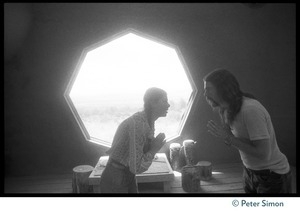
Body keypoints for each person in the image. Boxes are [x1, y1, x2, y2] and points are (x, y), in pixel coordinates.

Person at [203, 68, 292, 193]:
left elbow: (263, 154)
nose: (205, 94)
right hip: (249, 171)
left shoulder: (250, 110)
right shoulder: (224, 109)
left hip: (272, 175)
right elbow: (233, 139)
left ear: (222, 88)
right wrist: (226, 137)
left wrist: (228, 138)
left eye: (208, 89)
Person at [99, 87, 170, 193]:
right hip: (116, 179)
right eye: (164, 101)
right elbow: (136, 168)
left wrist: (152, 145)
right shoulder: (139, 124)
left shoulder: (148, 121)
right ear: (152, 103)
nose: (168, 105)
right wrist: (153, 149)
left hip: (126, 175)